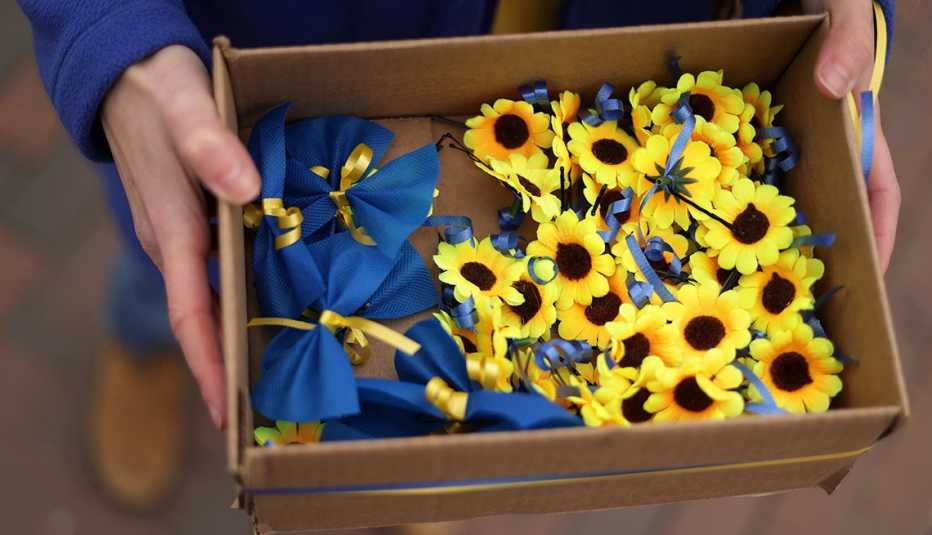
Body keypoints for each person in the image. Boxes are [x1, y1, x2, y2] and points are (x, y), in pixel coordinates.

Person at [18, 0, 898, 510]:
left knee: (410, 447)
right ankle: (142, 348)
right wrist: (108, 32)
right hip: (263, 54)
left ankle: (419, 458)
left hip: (635, 31)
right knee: (175, 270)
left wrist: (856, 22)